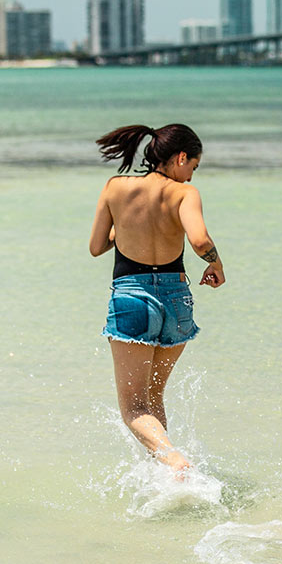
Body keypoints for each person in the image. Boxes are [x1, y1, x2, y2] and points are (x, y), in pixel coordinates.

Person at [88, 124, 225, 475]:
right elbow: (199, 241)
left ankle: (175, 462)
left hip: (132, 298)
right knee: (153, 397)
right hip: (176, 298)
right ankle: (166, 475)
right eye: (193, 166)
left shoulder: (114, 188)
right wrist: (217, 263)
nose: (191, 174)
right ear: (181, 158)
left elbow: (97, 246)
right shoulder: (184, 193)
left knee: (134, 407)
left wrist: (129, 225)